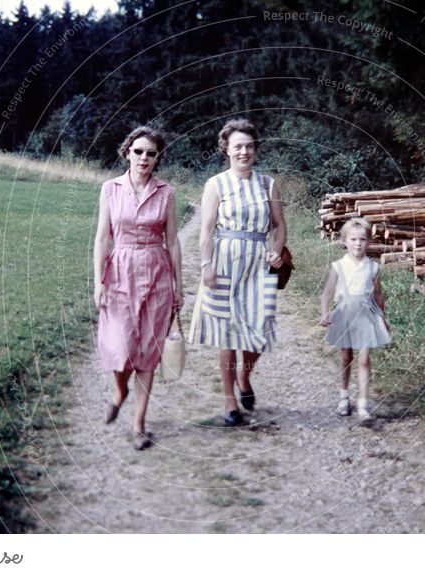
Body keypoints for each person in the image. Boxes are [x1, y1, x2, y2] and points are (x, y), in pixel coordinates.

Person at [189, 119, 286, 426]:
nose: (244, 152)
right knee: (226, 335)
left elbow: (279, 224)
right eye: (237, 147)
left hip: (259, 262)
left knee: (256, 334)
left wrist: (277, 250)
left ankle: (245, 375)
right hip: (225, 261)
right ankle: (230, 402)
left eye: (249, 146)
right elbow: (206, 231)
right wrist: (206, 267)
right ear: (226, 150)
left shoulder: (267, 184)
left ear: (255, 150)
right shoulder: (215, 184)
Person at [93, 126, 182, 450]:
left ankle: (139, 424)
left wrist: (178, 286)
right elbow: (103, 237)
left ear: (158, 158)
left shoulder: (166, 192)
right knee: (120, 347)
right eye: (139, 151)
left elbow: (172, 241)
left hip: (156, 272)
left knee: (147, 351)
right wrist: (97, 282)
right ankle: (120, 390)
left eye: (151, 153)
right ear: (127, 152)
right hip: (120, 272)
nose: (144, 158)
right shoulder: (110, 189)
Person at [319, 218, 391, 420]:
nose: (357, 244)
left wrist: (383, 318)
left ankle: (363, 405)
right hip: (344, 315)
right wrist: (325, 312)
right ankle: (344, 397)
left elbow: (378, 295)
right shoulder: (338, 266)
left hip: (367, 316)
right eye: (353, 239)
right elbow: (327, 293)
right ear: (344, 241)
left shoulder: (373, 268)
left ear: (369, 242)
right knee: (346, 357)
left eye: (362, 239)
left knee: (364, 359)